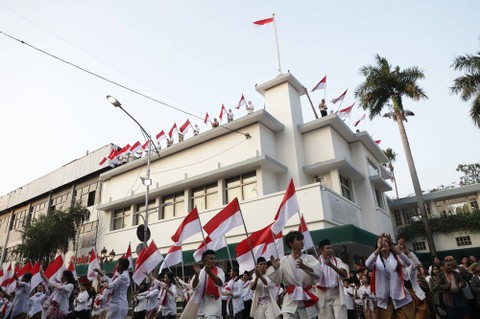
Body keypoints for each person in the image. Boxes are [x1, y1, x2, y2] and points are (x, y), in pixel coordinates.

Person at [268, 231, 322, 319]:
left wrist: (304, 267)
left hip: (307, 297)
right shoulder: (284, 260)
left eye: (302, 240)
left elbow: (318, 274)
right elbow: (277, 280)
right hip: (290, 300)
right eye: (298, 240)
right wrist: (276, 268)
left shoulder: (309, 258)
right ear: (291, 243)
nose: (302, 242)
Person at [365, 233, 414, 319]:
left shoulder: (396, 257)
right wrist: (379, 248)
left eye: (386, 241)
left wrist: (393, 246)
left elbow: (409, 262)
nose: (384, 243)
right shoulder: (376, 259)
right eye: (381, 242)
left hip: (399, 296)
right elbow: (367, 264)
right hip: (384, 299)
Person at [183, 249, 225, 319]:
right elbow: (194, 287)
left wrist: (210, 273)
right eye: (211, 258)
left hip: (213, 305)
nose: (213, 261)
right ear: (205, 260)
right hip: (200, 306)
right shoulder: (200, 272)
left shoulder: (219, 271)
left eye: (214, 258)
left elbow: (220, 283)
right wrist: (197, 275)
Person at [316, 239, 348, 319]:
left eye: (331, 248)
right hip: (323, 295)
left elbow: (344, 274)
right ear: (321, 250)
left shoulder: (337, 260)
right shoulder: (316, 262)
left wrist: (331, 265)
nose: (330, 250)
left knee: (341, 317)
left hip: (337, 294)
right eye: (328, 248)